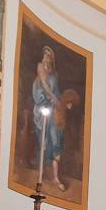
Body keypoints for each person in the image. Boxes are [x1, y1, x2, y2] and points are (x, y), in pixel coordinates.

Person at [32, 46, 66, 191]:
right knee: (44, 141)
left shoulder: (54, 74)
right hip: (43, 108)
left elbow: (56, 91)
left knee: (55, 139)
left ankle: (55, 177)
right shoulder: (40, 68)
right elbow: (43, 87)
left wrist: (62, 102)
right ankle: (40, 176)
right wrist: (52, 99)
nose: (47, 57)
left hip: (53, 110)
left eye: (49, 55)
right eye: (45, 54)